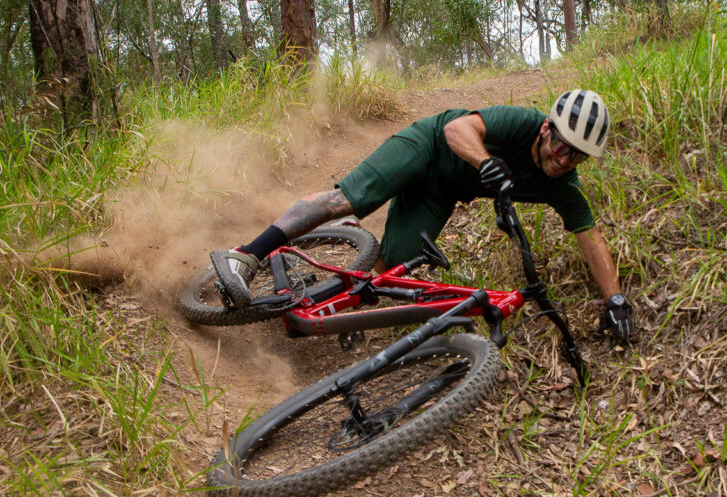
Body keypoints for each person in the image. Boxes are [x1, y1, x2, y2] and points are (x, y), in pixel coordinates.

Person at [210, 89, 634, 341]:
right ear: (546, 129)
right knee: (347, 200)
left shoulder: (563, 186)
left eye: (578, 155)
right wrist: (486, 162)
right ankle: (245, 254)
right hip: (427, 146)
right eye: (562, 146)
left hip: (441, 192)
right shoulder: (520, 123)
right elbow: (457, 130)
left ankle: (345, 279)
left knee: (390, 273)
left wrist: (615, 299)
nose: (564, 160)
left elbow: (592, 240)